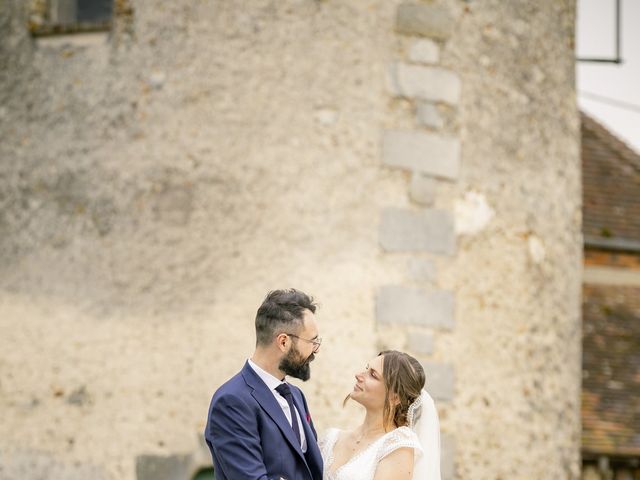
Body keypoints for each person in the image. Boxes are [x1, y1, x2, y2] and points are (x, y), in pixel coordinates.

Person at [204, 289, 324, 480]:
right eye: (312, 341)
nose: (315, 350)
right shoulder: (232, 401)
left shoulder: (296, 395)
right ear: (283, 342)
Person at [320, 351, 441, 480]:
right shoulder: (330, 439)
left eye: (373, 374)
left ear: (395, 397)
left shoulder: (398, 447)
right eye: (367, 369)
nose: (358, 375)